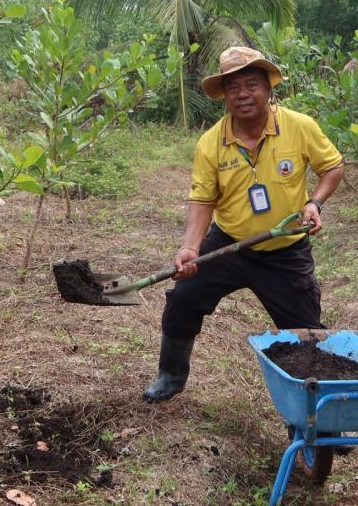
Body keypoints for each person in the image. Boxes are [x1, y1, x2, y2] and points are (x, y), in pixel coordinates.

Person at [143, 46, 344, 403]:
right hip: (229, 245)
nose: (242, 94)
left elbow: (332, 166)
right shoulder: (211, 143)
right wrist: (191, 246)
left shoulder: (299, 127)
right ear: (224, 96)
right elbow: (202, 200)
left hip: (285, 251)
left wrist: (314, 203)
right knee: (183, 298)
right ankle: (170, 376)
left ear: (269, 89)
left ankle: (317, 417)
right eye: (233, 88)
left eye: (251, 84)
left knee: (306, 335)